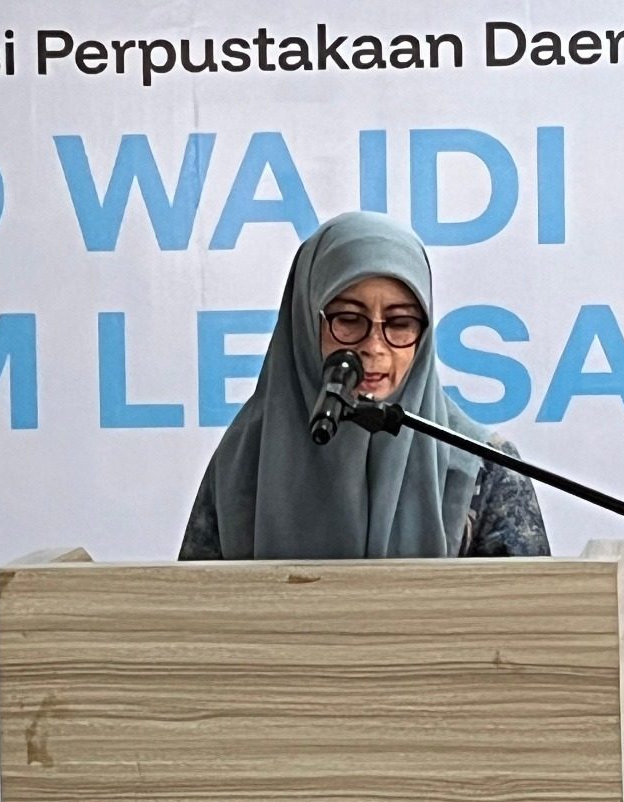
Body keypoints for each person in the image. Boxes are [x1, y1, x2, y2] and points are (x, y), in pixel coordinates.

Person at [179, 211, 549, 560]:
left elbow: (532, 605)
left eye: (400, 323)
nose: (373, 347)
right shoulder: (245, 459)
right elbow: (194, 604)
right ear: (306, 323)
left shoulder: (482, 467)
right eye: (348, 319)